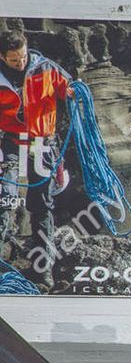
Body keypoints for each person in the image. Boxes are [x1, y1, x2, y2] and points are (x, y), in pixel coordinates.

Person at [0, 29, 75, 277]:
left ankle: (44, 272)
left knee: (42, 205)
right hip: (11, 143)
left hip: (43, 144)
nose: (20, 63)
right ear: (2, 57)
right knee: (5, 200)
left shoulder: (46, 68)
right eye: (14, 60)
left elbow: (68, 89)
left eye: (22, 57)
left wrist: (75, 93)